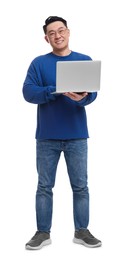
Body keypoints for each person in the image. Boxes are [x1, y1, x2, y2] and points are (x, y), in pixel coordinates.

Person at [23, 16, 102, 250]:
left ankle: (82, 231)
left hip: (77, 134)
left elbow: (92, 94)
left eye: (61, 30)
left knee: (80, 186)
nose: (57, 35)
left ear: (68, 32)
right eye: (52, 33)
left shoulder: (84, 60)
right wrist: (54, 90)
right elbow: (28, 92)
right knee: (44, 187)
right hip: (47, 135)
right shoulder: (38, 63)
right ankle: (42, 233)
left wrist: (83, 97)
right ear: (46, 38)